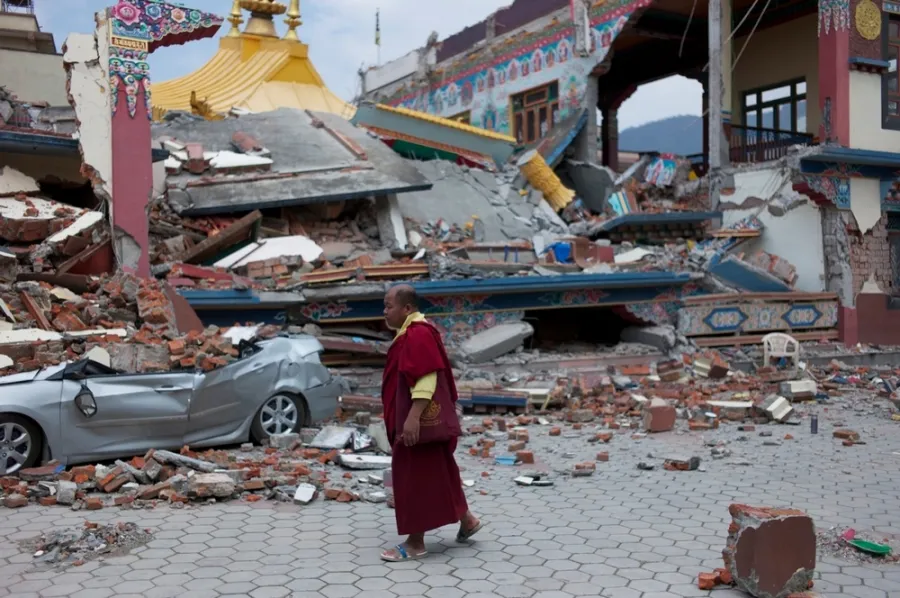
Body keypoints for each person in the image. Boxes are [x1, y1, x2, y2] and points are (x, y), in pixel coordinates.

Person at [379, 284, 482, 562]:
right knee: (440, 471)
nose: (384, 312)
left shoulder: (418, 334)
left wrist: (412, 419)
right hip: (423, 421)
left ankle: (415, 543)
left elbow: (426, 377)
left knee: (413, 478)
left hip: (417, 422)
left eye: (389, 306)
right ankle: (467, 520)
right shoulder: (414, 332)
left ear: (407, 308)